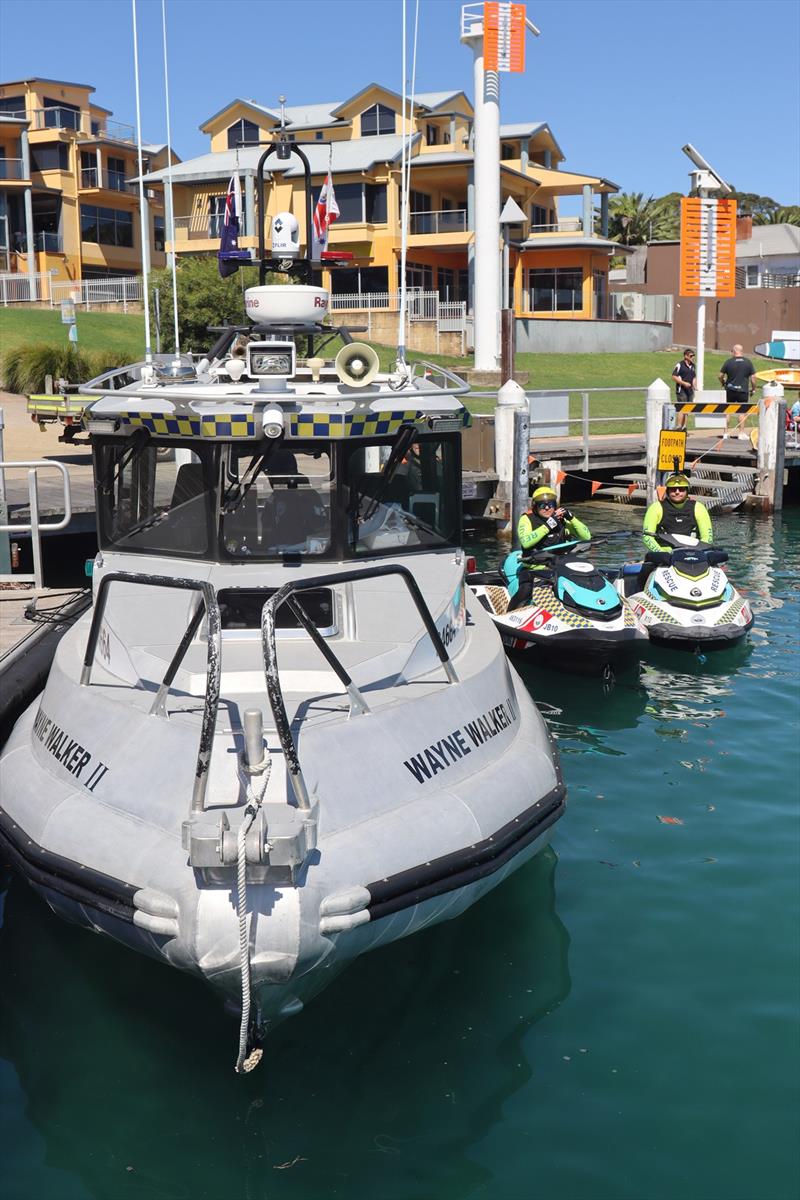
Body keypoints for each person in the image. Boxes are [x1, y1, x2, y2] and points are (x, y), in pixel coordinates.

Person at [507, 486, 592, 611]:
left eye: (550, 504)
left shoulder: (561, 520)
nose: (547, 508)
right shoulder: (527, 519)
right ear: (535, 506)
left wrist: (572, 518)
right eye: (542, 505)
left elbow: (586, 536)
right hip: (533, 569)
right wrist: (549, 525)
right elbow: (526, 542)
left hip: (559, 567)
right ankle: (509, 613)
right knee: (525, 591)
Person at [642, 472, 712, 554]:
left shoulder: (699, 508)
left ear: (687, 490)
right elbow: (647, 537)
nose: (677, 492)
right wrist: (662, 553)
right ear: (667, 491)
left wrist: (696, 553)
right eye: (673, 489)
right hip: (664, 556)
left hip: (693, 554)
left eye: (681, 489)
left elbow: (707, 538)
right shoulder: (656, 508)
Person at [718, 344, 756, 438]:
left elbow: (720, 376)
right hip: (743, 390)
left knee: (727, 411)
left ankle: (725, 433)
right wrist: (753, 388)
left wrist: (723, 382)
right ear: (741, 351)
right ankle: (741, 433)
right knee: (742, 411)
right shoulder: (748, 362)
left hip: (730, 389)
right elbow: (753, 378)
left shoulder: (728, 362)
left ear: (734, 351)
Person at [670, 348, 697, 430]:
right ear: (686, 356)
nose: (692, 357)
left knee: (687, 408)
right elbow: (673, 376)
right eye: (691, 356)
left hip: (690, 390)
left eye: (693, 356)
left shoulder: (693, 366)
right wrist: (683, 383)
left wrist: (694, 385)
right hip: (681, 390)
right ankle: (679, 426)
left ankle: (684, 427)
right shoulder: (679, 365)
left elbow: (694, 377)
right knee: (682, 407)